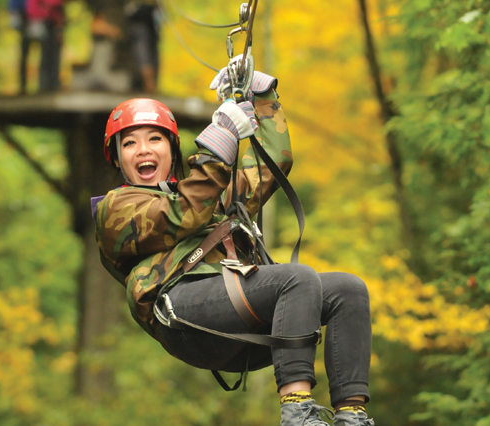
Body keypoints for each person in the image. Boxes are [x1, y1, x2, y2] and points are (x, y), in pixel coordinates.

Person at [92, 68, 375, 426]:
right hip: (182, 311)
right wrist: (220, 140)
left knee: (348, 290)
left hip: (239, 318)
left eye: (155, 139)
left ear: (171, 148)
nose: (144, 150)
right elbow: (184, 213)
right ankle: (299, 413)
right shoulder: (116, 209)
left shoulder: (212, 195)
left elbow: (271, 165)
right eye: (130, 143)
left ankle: (351, 415)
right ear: (117, 159)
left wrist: (263, 96)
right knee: (296, 279)